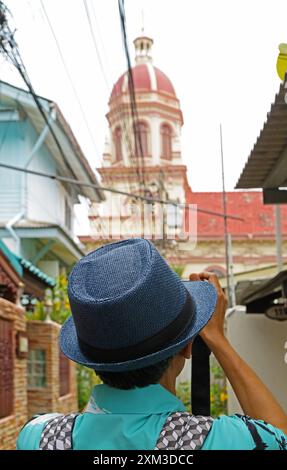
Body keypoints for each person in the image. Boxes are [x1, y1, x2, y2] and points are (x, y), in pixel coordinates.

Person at [17, 238, 287, 450]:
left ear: (93, 357)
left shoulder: (39, 437)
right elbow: (278, 436)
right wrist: (217, 339)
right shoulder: (216, 440)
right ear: (186, 347)